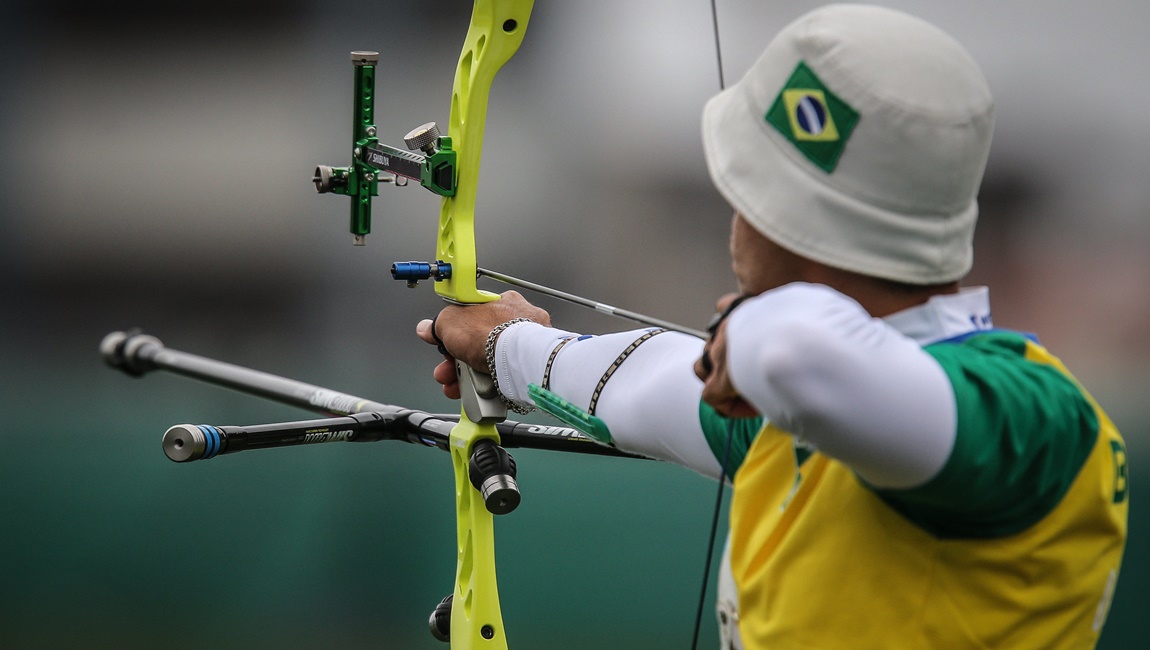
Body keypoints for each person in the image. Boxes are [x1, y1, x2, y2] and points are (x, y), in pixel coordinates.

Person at [416, 5, 1129, 648]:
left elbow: (793, 355)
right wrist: (504, 343)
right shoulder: (821, 409)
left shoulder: (1034, 420)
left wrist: (757, 328)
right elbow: (648, 382)